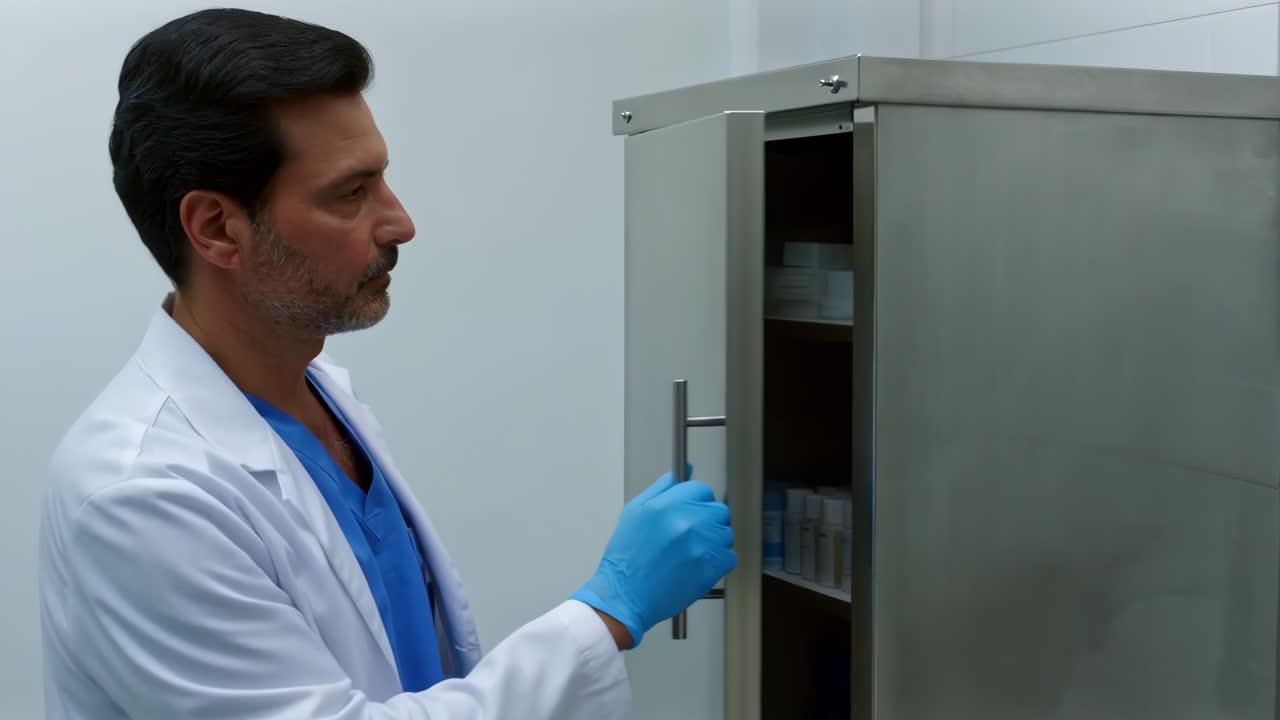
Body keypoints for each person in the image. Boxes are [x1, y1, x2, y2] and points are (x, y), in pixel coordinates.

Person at [36, 8, 736, 720]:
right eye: (350, 192)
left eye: (382, 181)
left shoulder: (319, 393)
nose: (400, 223)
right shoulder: (139, 497)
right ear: (218, 228)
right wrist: (606, 613)